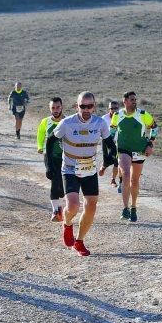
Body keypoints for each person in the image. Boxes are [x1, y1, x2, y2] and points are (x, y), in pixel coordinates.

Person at [50, 92, 112, 256]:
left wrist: (109, 159)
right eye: (82, 106)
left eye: (89, 106)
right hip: (70, 168)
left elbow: (109, 143)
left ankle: (79, 241)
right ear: (76, 106)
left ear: (94, 107)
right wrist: (51, 166)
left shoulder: (100, 123)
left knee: (91, 206)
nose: (85, 109)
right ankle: (67, 223)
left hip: (89, 169)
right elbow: (50, 140)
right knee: (73, 206)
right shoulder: (67, 123)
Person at [110, 91, 158, 222]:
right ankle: (125, 208)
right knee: (126, 175)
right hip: (123, 149)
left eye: (135, 99)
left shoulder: (143, 114)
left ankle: (133, 207)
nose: (134, 101)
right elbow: (112, 130)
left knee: (134, 181)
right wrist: (111, 146)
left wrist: (150, 144)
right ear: (125, 101)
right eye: (132, 99)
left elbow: (155, 127)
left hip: (139, 150)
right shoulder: (117, 115)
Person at [36, 98, 65, 222]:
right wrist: (39, 146)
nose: (55, 110)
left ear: (62, 107)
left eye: (58, 107)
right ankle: (55, 211)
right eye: (53, 108)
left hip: (65, 157)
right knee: (54, 181)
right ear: (50, 108)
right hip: (50, 157)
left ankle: (62, 208)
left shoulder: (67, 121)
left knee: (63, 185)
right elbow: (40, 134)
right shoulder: (45, 121)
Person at [98, 101, 122, 190]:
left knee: (117, 162)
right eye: (112, 108)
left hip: (118, 143)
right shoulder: (104, 118)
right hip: (106, 143)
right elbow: (99, 130)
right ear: (109, 109)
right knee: (107, 162)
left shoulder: (121, 117)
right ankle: (104, 166)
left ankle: (113, 180)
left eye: (116, 108)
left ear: (118, 108)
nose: (114, 110)